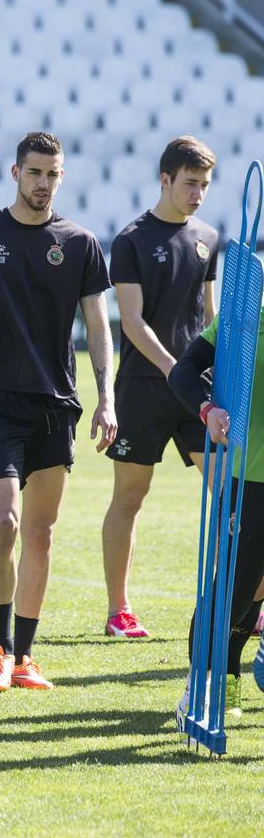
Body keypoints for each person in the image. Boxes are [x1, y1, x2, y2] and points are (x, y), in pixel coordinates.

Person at [0, 131, 117, 692]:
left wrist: (107, 396)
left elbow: (98, 324)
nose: (42, 183)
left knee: (41, 531)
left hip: (56, 403)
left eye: (52, 174)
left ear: (61, 177)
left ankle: (27, 657)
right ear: (15, 173)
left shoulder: (81, 243)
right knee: (5, 521)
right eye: (34, 172)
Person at [101, 137, 219, 639]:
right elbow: (130, 321)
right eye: (190, 183)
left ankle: (243, 604)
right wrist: (176, 370)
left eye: (205, 185)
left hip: (200, 393)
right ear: (165, 179)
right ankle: (118, 610)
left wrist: (218, 379)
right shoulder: (131, 239)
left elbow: (211, 317)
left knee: (230, 492)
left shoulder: (209, 238)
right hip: (145, 388)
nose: (197, 194)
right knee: (131, 495)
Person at [169, 315, 264, 719]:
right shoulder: (247, 311)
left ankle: (231, 683)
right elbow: (183, 371)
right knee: (235, 593)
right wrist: (207, 408)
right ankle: (203, 687)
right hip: (252, 483)